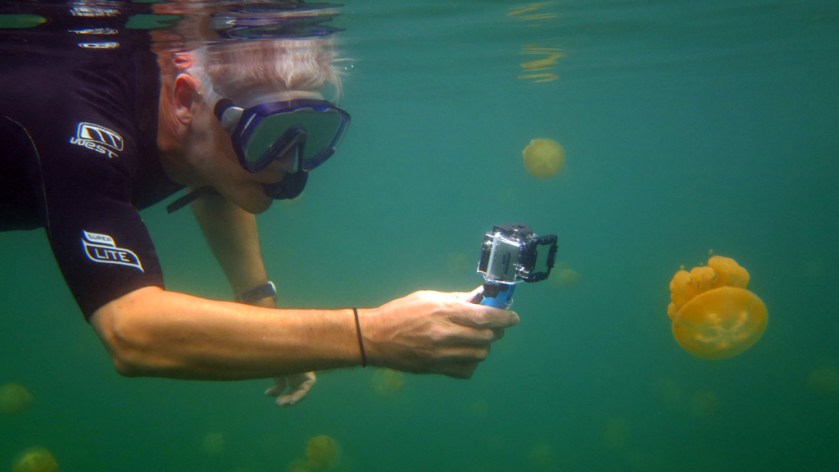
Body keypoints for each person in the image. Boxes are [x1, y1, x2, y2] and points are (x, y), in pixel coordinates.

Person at [0, 2, 518, 407]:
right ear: (184, 100)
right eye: (266, 133)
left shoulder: (196, 129)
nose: (289, 164)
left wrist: (262, 310)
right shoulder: (76, 115)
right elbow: (133, 331)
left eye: (309, 132)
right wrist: (374, 335)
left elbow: (215, 179)